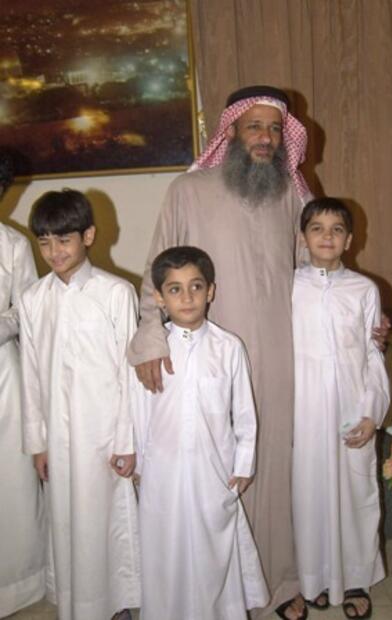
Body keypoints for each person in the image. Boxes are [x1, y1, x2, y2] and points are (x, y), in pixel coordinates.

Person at [128, 84, 310, 620]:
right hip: (209, 358)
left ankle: (278, 581)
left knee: (272, 462)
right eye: (254, 126)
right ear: (230, 130)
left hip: (280, 353)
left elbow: (315, 270)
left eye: (274, 128)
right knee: (220, 470)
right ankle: (220, 593)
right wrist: (150, 333)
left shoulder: (290, 192)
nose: (266, 137)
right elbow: (157, 268)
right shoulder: (188, 190)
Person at [19, 190, 140, 620]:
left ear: (88, 236)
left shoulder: (116, 293)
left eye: (64, 240)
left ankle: (116, 603)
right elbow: (31, 375)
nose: (54, 251)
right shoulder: (33, 300)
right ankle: (76, 607)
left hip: (104, 434)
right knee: (66, 522)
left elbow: (129, 374)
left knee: (107, 522)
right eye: (44, 242)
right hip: (57, 434)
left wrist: (127, 440)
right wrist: (37, 443)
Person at [134, 245, 269, 620]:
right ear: (159, 298)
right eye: (174, 289)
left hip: (214, 469)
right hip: (162, 473)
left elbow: (245, 413)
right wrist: (141, 464)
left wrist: (244, 464)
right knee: (166, 549)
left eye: (196, 286)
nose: (187, 297)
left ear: (211, 291)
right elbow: (137, 410)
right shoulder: (150, 352)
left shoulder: (229, 348)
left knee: (214, 549)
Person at [292, 198, 390, 619]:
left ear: (350, 240)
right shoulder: (288, 286)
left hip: (352, 405)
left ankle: (355, 579)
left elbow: (373, 356)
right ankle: (311, 578)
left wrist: (371, 412)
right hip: (303, 410)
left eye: (337, 229)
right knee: (307, 492)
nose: (327, 236)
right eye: (317, 228)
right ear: (302, 237)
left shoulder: (364, 289)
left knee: (354, 493)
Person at [0, 154, 46, 617]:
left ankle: (17, 584)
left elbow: (26, 310)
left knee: (10, 482)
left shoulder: (12, 244)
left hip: (3, 378)